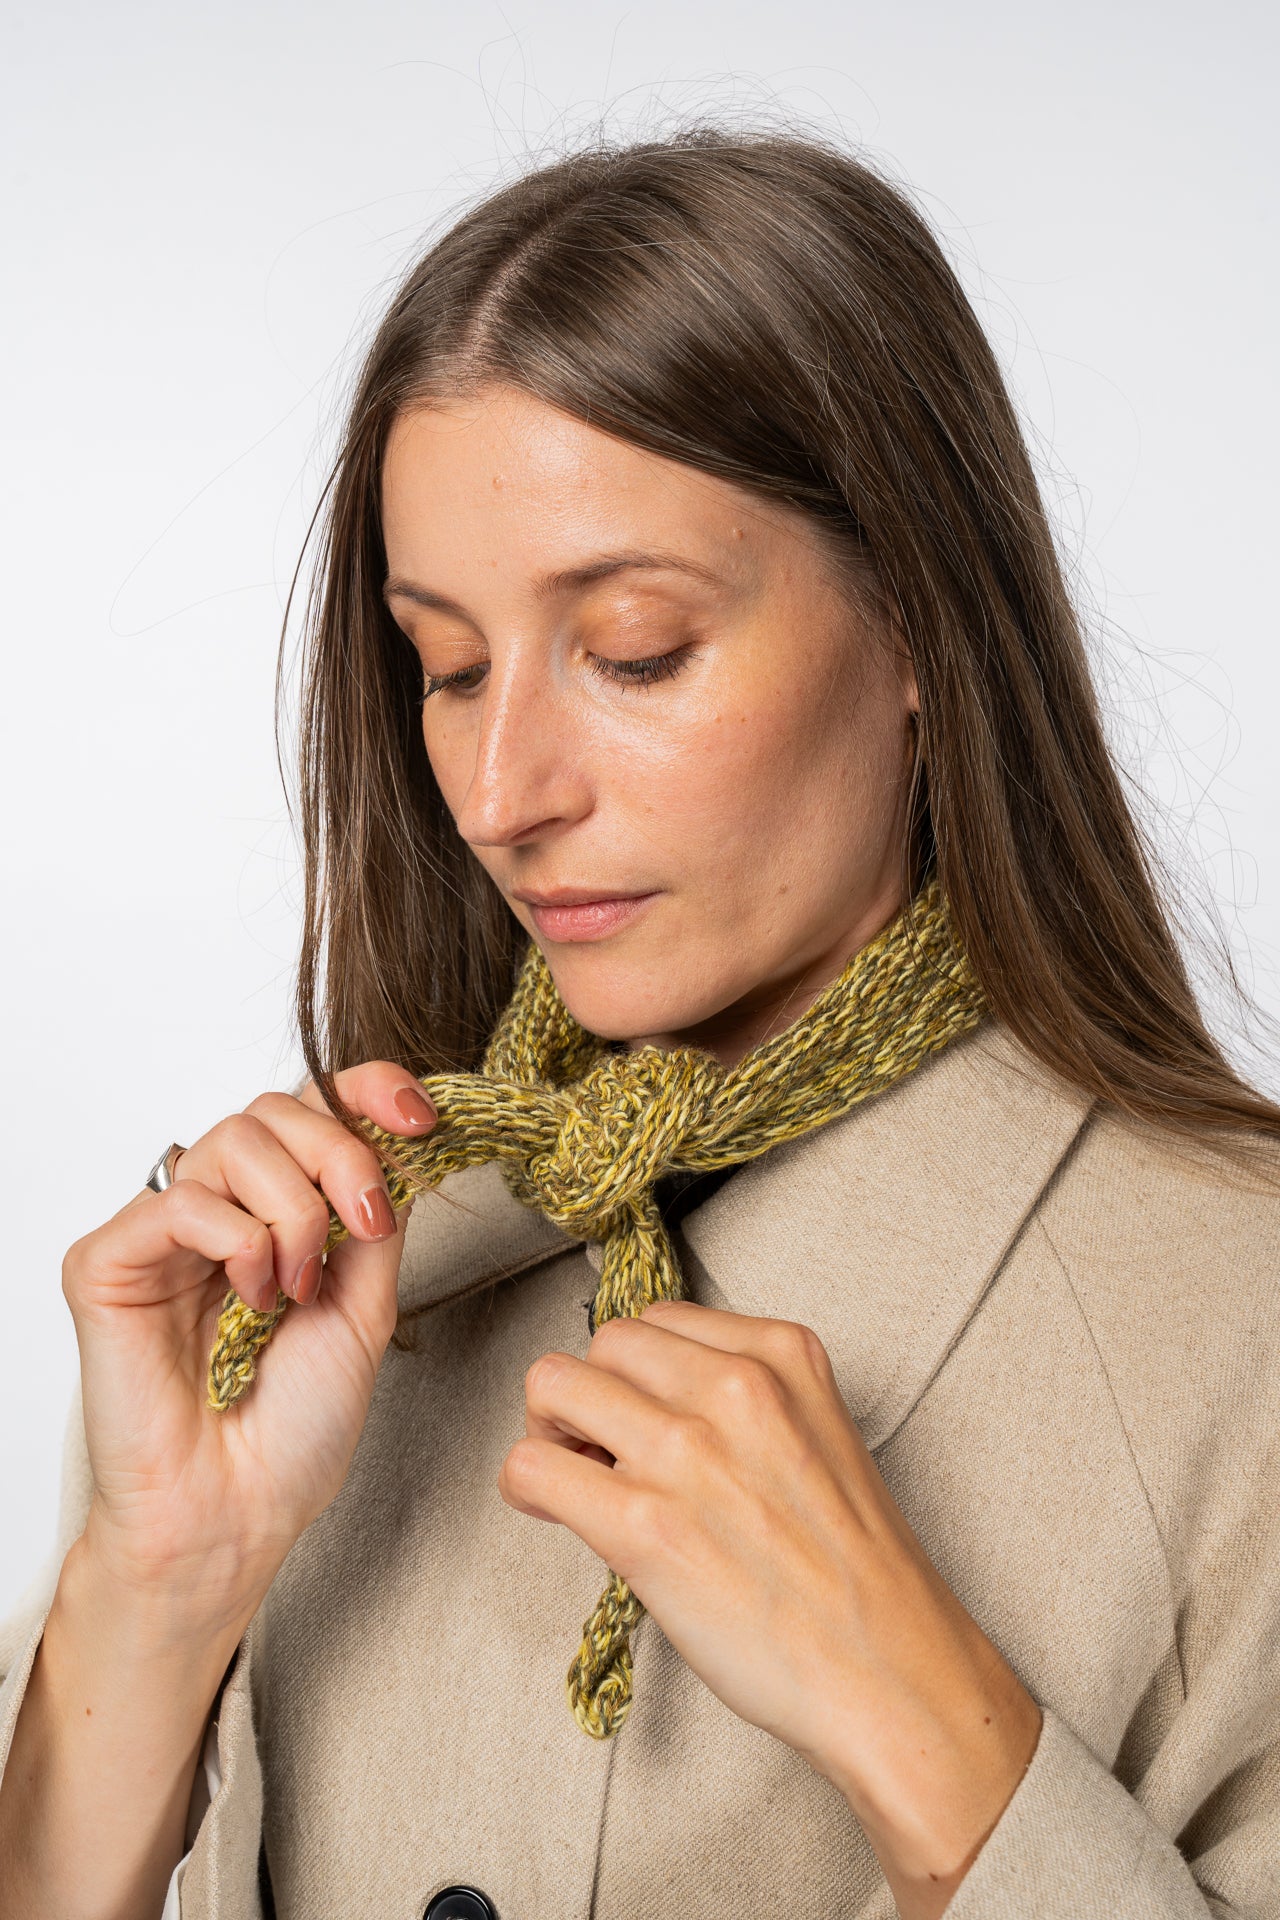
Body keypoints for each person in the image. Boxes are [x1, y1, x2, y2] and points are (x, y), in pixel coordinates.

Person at [1, 124, 1277, 1920]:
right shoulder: (309, 1280)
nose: (503, 788)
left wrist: (936, 1733)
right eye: (447, 668)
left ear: (921, 623)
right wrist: (153, 1600)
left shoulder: (1243, 1319)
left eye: (637, 649)